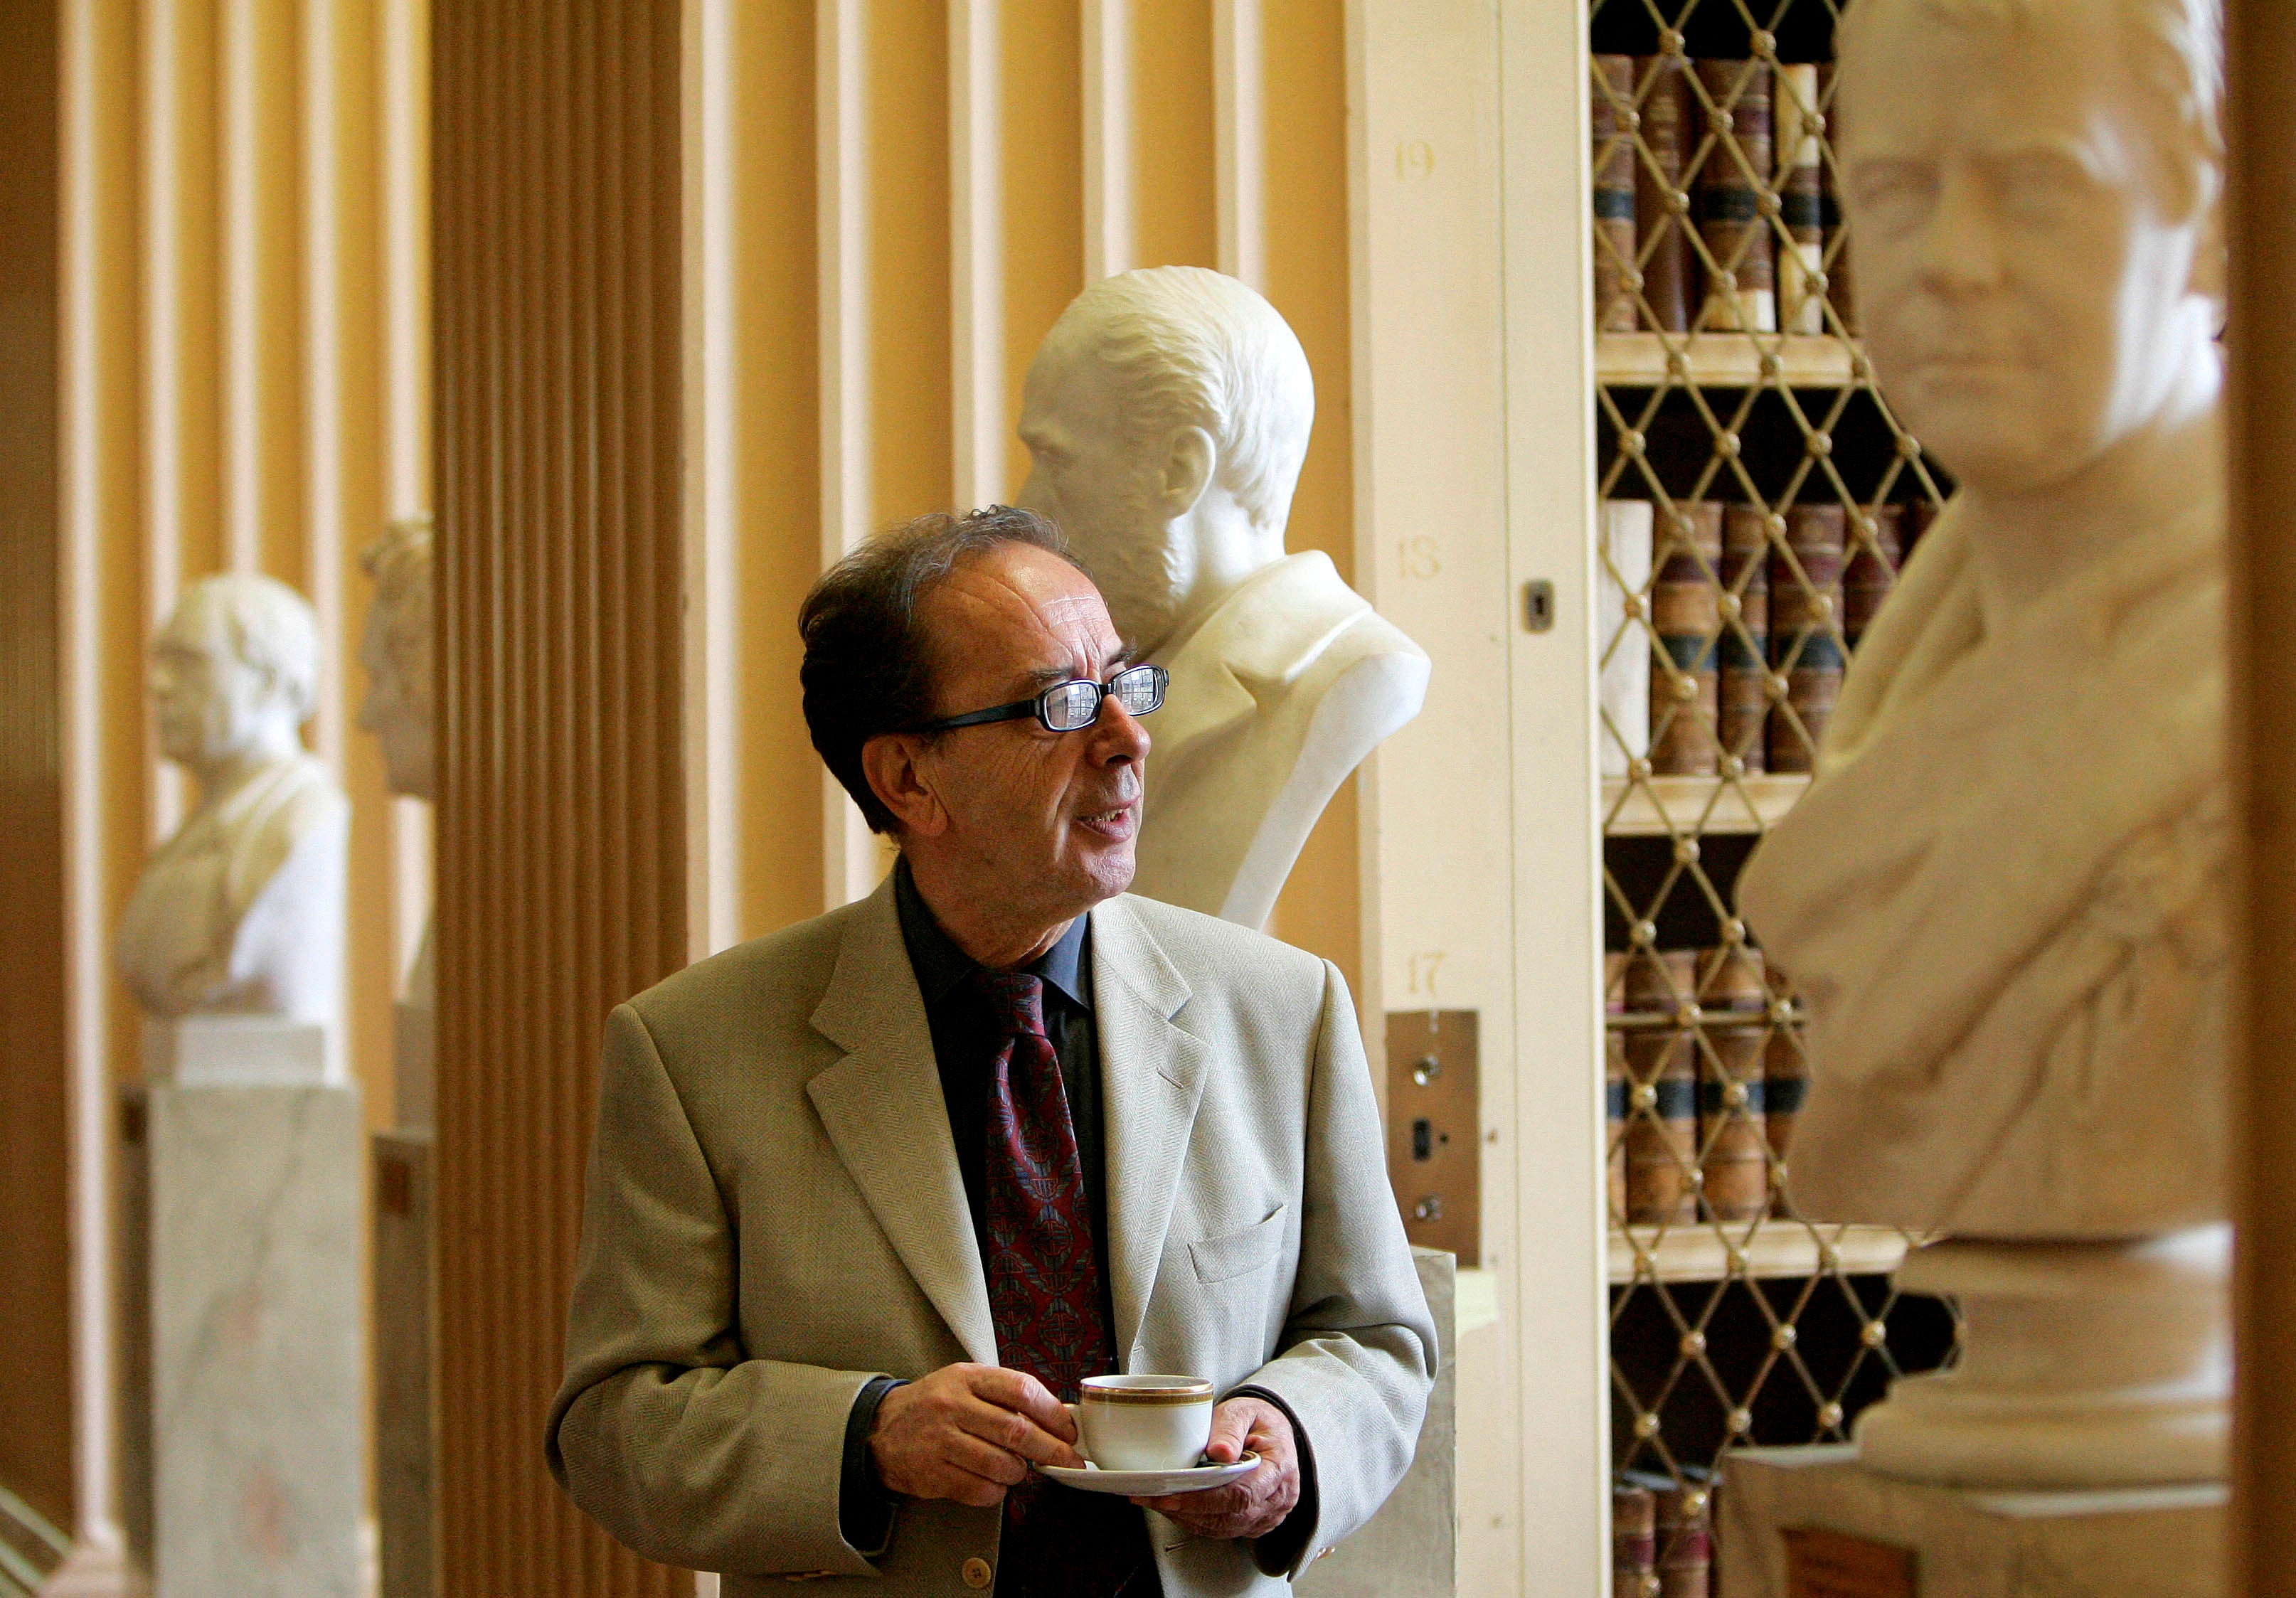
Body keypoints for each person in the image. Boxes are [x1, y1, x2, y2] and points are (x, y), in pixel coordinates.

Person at [546, 507, 1435, 1596]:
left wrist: (1296, 1435)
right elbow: (615, 1422)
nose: (1128, 736)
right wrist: (865, 1435)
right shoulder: (693, 1049)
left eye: (1124, 680)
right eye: (1059, 705)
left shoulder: (1283, 1008)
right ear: (909, 781)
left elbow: (1379, 1340)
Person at [1738, 0, 2228, 1235]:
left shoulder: (2243, 665)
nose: (1950, 258)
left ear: (2212, 215)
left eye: (2035, 184)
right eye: (1898, 189)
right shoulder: (1921, 662)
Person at [1016, 267, 1428, 929]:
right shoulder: (1102, 686)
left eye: (1056, 463)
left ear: (1180, 471)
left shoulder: (1341, 678)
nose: (1026, 508)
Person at [115, 572, 349, 1024]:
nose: (158, 685)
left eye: (188, 662)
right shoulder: (190, 835)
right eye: (161, 663)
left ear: (268, 681)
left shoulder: (300, 822)